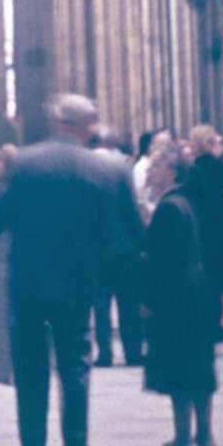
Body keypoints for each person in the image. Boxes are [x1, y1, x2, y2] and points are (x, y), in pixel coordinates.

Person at [0, 93, 109, 446]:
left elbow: (0, 218)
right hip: (77, 282)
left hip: (28, 282)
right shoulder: (96, 166)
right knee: (75, 367)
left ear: (58, 123)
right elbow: (109, 229)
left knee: (31, 370)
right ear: (82, 125)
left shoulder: (25, 162)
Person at [141, 138, 218, 446]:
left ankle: (183, 439)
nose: (150, 170)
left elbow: (162, 260)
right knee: (198, 363)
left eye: (156, 165)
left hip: (177, 293)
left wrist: (148, 300)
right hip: (195, 289)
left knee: (180, 362)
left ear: (172, 171)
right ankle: (204, 436)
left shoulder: (170, 207)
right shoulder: (184, 202)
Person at [91, 127, 145, 367]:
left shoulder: (86, 165)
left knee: (100, 304)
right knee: (128, 303)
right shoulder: (123, 164)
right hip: (124, 247)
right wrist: (142, 240)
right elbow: (131, 208)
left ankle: (104, 353)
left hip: (96, 249)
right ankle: (132, 352)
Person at [183, 124, 223, 338]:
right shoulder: (218, 166)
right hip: (221, 224)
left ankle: (209, 321)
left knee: (208, 273)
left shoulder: (192, 168)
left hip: (201, 225)